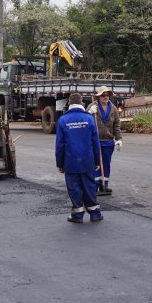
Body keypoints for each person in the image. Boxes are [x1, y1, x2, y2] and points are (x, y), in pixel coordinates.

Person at [55, 93, 102, 223]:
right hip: (87, 160)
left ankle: (77, 215)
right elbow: (95, 143)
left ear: (69, 104)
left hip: (70, 162)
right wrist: (97, 161)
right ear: (82, 104)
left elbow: (60, 145)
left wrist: (60, 163)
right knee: (89, 186)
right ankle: (95, 213)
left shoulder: (63, 120)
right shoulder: (89, 119)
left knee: (74, 187)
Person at [86, 86, 123, 196]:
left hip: (108, 142)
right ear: (98, 96)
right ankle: (95, 186)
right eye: (103, 95)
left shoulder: (113, 108)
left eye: (107, 95)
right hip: (95, 141)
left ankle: (104, 185)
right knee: (96, 164)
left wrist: (119, 139)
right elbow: (85, 121)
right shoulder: (92, 106)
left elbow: (116, 125)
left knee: (106, 164)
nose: (106, 97)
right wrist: (89, 113)